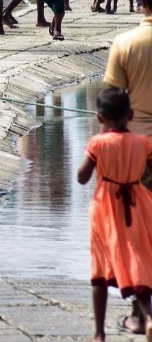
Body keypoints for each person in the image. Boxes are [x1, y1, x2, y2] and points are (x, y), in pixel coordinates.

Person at [76, 87, 152, 342]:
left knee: (100, 267)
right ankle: (148, 318)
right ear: (130, 114)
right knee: (137, 258)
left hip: (105, 207)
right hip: (137, 205)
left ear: (100, 118)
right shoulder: (143, 143)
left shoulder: (98, 143)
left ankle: (99, 333)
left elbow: (82, 177)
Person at [104, 0, 152, 140]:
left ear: (143, 0)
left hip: (136, 141)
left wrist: (102, 146)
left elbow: (112, 100)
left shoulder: (124, 42)